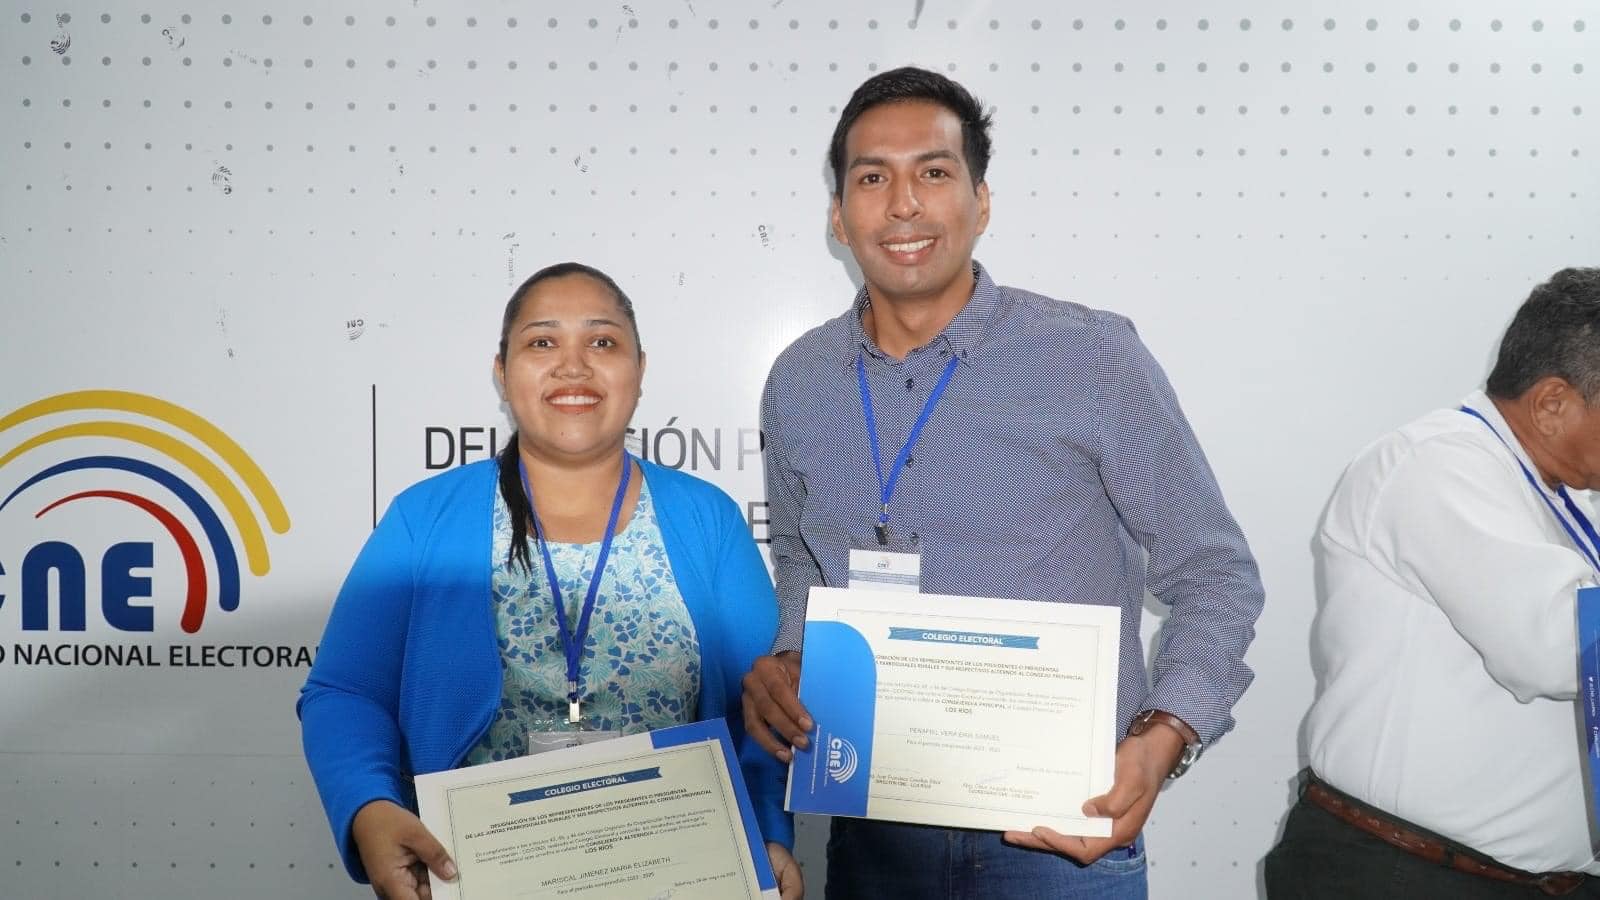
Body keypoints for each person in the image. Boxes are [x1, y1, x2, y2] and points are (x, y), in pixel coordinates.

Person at [740, 67, 1265, 898]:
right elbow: (806, 561)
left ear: (980, 202)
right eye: (872, 178)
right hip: (874, 832)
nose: (903, 204)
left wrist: (1165, 733)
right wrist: (791, 652)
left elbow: (1215, 575)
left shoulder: (1090, 358)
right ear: (838, 216)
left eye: (933, 172)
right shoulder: (800, 381)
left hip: (1062, 840)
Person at [299, 262, 801, 900]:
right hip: (476, 877)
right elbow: (345, 692)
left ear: (639, 370)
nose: (573, 366)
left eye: (602, 342)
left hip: (678, 874)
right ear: (502, 371)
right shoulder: (424, 519)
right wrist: (369, 808)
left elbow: (764, 704)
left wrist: (766, 831)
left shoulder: (707, 520)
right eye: (542, 342)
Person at [1265, 268, 1600, 898]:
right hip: (1403, 874)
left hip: (1517, 879)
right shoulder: (1436, 462)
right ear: (1552, 402)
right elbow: (1557, 648)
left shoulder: (1565, 493)